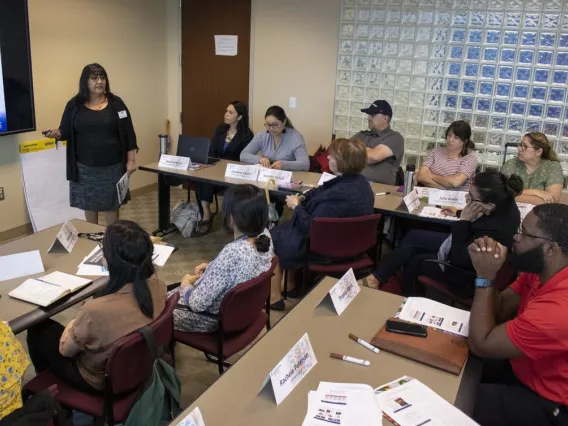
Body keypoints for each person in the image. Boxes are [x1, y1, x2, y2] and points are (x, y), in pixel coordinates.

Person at [26, 220, 166, 394]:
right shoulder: (159, 286)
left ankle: (52, 397)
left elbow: (66, 351)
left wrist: (73, 323)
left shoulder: (94, 311)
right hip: (139, 367)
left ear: (109, 260)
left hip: (99, 382)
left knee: (37, 330)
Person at [467, 204, 568, 426]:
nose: (515, 237)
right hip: (525, 368)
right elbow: (501, 309)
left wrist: (484, 276)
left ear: (551, 249)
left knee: (459, 402)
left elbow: (481, 343)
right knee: (458, 358)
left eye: (524, 233)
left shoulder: (558, 310)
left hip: (550, 404)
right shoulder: (540, 271)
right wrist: (490, 276)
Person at [365, 170, 522, 299]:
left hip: (467, 275)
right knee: (414, 236)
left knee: (414, 261)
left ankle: (408, 302)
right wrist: (459, 212)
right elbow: (481, 217)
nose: (467, 198)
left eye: (472, 197)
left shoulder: (495, 230)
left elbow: (458, 258)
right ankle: (376, 278)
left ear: (489, 205)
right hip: (465, 247)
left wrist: (464, 220)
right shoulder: (505, 203)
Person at [269, 138, 375, 310]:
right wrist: (303, 197)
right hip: (351, 244)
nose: (328, 160)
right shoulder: (361, 184)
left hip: (326, 247)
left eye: (331, 157)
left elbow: (311, 228)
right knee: (286, 231)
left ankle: (275, 297)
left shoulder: (337, 195)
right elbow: (322, 190)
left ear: (342, 162)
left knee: (274, 236)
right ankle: (290, 283)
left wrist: (296, 206)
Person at [43, 63, 138, 226]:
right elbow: (64, 131)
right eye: (94, 78)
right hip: (84, 168)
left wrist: (131, 160)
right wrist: (56, 134)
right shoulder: (74, 105)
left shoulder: (116, 103)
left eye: (102, 77)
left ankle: (112, 238)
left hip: (112, 166)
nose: (99, 81)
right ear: (85, 81)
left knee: (111, 205)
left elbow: (129, 133)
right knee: (89, 204)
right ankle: (93, 235)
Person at [171, 184, 274, 333]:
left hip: (210, 319)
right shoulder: (265, 236)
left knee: (153, 308)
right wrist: (213, 266)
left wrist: (186, 284)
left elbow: (196, 304)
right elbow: (243, 268)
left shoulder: (232, 253)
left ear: (232, 218)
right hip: (241, 312)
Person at [195, 101, 254, 235]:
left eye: (230, 112)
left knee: (231, 188)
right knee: (202, 178)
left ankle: (231, 217)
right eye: (226, 111)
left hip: (234, 172)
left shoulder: (247, 135)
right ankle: (206, 214)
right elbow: (213, 149)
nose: (226, 115)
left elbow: (243, 157)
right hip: (216, 168)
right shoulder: (220, 129)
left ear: (239, 117)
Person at [501, 132, 564, 205]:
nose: (519, 148)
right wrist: (536, 192)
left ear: (538, 151)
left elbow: (552, 200)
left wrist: (515, 195)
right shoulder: (511, 164)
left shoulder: (553, 167)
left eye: (525, 146)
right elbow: (502, 194)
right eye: (520, 145)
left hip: (540, 215)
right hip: (512, 213)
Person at [240, 105, 309, 171]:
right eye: (268, 125)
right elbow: (243, 155)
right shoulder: (262, 135)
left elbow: (305, 164)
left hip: (289, 177)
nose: (271, 128)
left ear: (284, 122)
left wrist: (283, 164)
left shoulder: (295, 137)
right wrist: (260, 159)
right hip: (267, 176)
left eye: (275, 125)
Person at [353, 100, 404, 185]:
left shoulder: (395, 137)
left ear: (385, 118)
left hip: (379, 189)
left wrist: (356, 151)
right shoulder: (362, 135)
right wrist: (368, 150)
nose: (368, 118)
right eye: (369, 115)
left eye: (373, 115)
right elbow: (341, 153)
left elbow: (374, 157)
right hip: (354, 184)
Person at [417, 120, 478, 191]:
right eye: (449, 135)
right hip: (430, 197)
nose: (450, 140)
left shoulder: (470, 158)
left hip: (455, 200)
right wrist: (446, 186)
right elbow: (421, 176)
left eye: (456, 138)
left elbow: (455, 182)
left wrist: (431, 176)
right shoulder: (435, 152)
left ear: (465, 141)